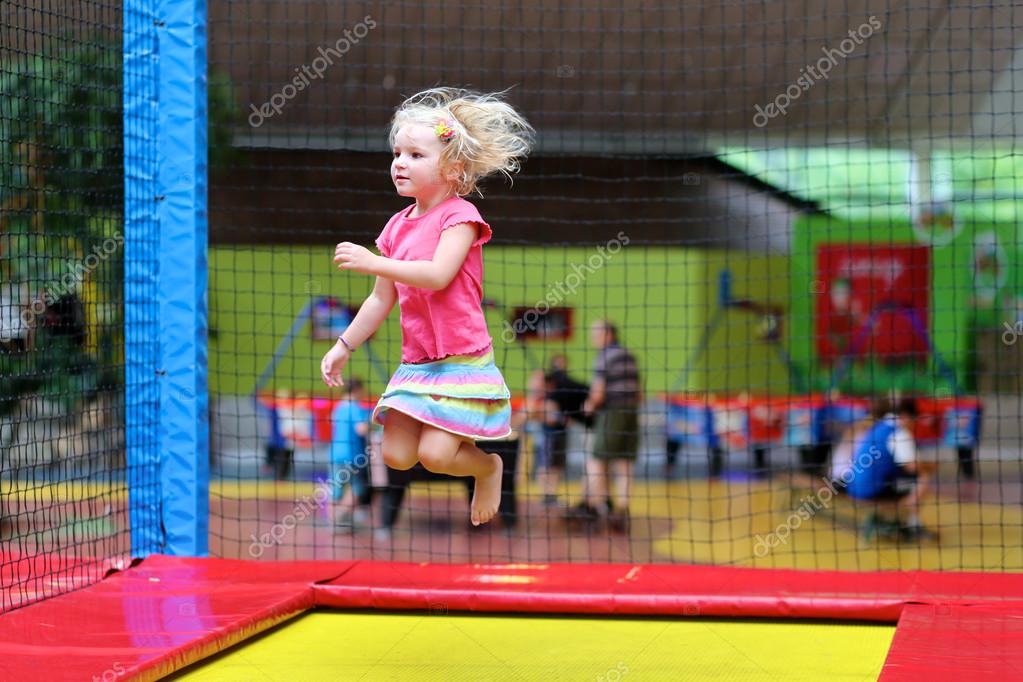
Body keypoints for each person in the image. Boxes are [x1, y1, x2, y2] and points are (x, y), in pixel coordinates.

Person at [321, 87, 534, 527]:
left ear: (453, 168)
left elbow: (437, 275)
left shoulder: (461, 218)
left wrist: (375, 261)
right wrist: (345, 344)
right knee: (397, 456)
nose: (399, 162)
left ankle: (487, 467)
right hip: (417, 364)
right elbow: (382, 297)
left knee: (436, 455)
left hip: (462, 360)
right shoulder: (395, 227)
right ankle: (473, 462)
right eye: (397, 153)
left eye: (415, 155)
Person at [566, 320, 641, 533]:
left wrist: (586, 408)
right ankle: (622, 509)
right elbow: (639, 392)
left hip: (612, 413)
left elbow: (598, 393)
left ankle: (597, 507)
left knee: (596, 460)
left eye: (596, 332)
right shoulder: (630, 355)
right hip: (631, 413)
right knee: (624, 462)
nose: (593, 337)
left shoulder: (604, 357)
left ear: (608, 334)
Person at [833, 397, 937, 542]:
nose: (914, 426)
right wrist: (933, 465)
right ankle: (913, 524)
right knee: (923, 476)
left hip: (854, 487)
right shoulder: (899, 433)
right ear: (906, 417)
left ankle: (900, 519)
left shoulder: (878, 427)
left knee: (902, 478)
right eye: (914, 421)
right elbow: (912, 466)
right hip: (871, 491)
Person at [528, 354, 590, 507]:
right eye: (559, 363)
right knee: (545, 464)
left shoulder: (565, 385)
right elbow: (538, 405)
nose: (561, 366)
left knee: (557, 465)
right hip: (548, 432)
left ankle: (552, 495)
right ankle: (546, 495)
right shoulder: (546, 383)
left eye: (564, 363)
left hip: (561, 431)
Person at [329, 377, 372, 531]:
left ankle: (334, 522)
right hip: (353, 455)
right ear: (357, 390)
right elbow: (361, 429)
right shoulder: (354, 407)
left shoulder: (338, 407)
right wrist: (372, 424)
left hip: (335, 454)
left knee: (336, 490)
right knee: (357, 489)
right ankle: (339, 516)